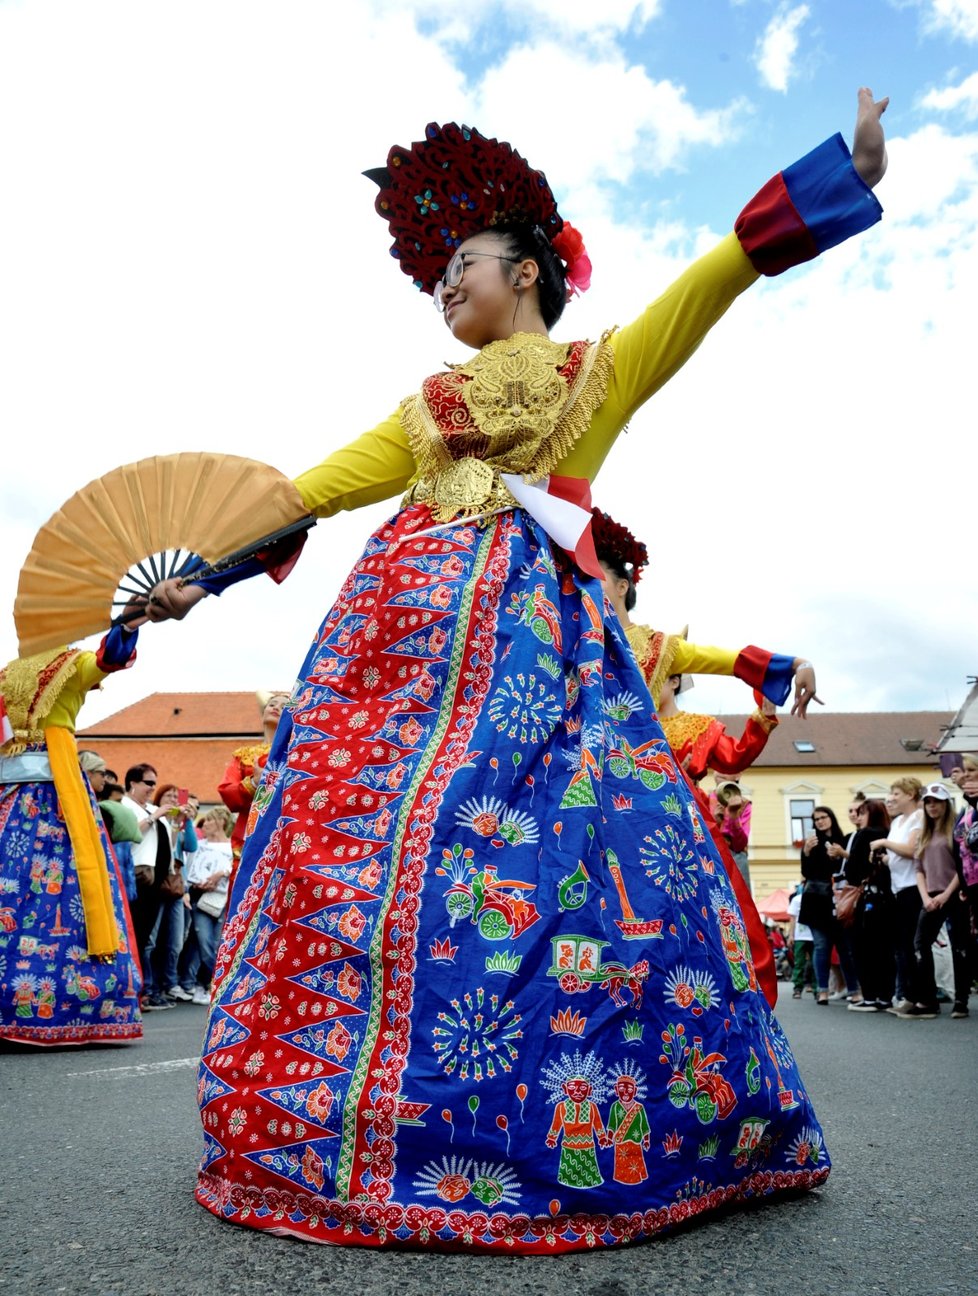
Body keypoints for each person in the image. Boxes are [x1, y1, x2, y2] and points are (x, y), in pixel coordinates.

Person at [140, 97, 888, 1250]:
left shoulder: (596, 372)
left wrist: (838, 172)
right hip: (388, 651)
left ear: (530, 272)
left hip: (533, 654)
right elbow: (313, 490)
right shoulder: (428, 408)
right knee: (348, 848)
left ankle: (547, 1120)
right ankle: (328, 1116)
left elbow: (713, 281)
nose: (445, 288)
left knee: (551, 863)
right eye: (437, 277)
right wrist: (206, 576)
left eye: (465, 267)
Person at [0, 628, 143, 1045]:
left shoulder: (70, 663)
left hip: (50, 799)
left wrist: (128, 626)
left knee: (55, 893)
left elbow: (109, 659)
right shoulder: (9, 674)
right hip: (22, 796)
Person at [897, 784, 970, 1019]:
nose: (932, 806)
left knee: (960, 947)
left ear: (945, 804)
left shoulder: (955, 831)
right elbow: (918, 869)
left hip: (954, 893)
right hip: (930, 895)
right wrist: (926, 896)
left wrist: (945, 894)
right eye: (928, 802)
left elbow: (962, 867)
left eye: (937, 802)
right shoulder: (924, 834)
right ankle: (927, 1000)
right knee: (920, 944)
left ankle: (961, 1000)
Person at [656, 672, 779, 784]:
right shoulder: (639, 728)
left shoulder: (699, 727)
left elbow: (736, 756)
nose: (648, 686)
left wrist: (763, 719)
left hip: (685, 804)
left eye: (654, 679)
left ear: (674, 682)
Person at [218, 691, 288, 885]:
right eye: (272, 704)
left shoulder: (297, 754)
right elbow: (226, 791)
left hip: (281, 833)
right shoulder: (244, 755)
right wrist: (254, 783)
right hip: (247, 833)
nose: (276, 707)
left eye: (284, 706)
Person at [869, 779, 923, 1013]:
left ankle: (916, 996)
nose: (891, 797)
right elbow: (897, 857)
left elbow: (912, 851)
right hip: (898, 888)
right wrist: (883, 858)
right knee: (901, 946)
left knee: (911, 945)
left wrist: (884, 842)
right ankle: (906, 996)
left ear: (911, 794)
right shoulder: (898, 821)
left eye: (896, 793)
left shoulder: (918, 818)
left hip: (914, 886)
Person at [800, 806, 860, 1005]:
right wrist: (807, 852)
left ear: (831, 818)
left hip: (838, 900)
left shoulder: (843, 840)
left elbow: (853, 867)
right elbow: (806, 873)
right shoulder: (811, 843)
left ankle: (853, 989)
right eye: (816, 819)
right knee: (821, 946)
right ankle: (823, 990)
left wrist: (843, 854)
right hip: (816, 900)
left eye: (823, 817)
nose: (819, 821)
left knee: (844, 947)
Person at [844, 799, 895, 1013]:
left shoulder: (864, 835)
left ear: (870, 814)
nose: (858, 816)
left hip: (868, 899)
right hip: (889, 898)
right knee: (885, 949)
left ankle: (870, 996)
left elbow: (852, 871)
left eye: (862, 812)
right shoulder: (889, 833)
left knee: (862, 949)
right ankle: (885, 996)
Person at [179, 806, 234, 1004]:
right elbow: (189, 866)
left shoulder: (232, 847)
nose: (205, 824)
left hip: (223, 899)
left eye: (209, 820)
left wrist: (221, 873)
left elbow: (237, 865)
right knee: (204, 943)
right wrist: (195, 883)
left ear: (220, 822)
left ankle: (205, 985)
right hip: (200, 897)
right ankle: (222, 982)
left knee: (217, 944)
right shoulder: (200, 845)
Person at [787, 883, 815, 999]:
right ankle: (797, 988)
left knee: (815, 964)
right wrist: (791, 935)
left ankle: (817, 989)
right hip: (800, 936)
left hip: (814, 935)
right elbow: (792, 919)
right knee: (799, 963)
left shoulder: (815, 898)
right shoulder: (796, 899)